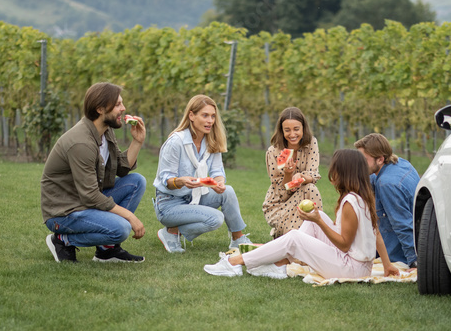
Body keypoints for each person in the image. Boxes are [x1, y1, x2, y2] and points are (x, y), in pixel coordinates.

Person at [203, 149, 400, 280]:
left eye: (335, 170)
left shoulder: (351, 202)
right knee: (319, 217)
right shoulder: (362, 196)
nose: (332, 174)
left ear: (344, 173)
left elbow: (344, 244)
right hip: (358, 265)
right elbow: (376, 233)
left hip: (352, 269)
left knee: (297, 237)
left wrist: (318, 222)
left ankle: (234, 263)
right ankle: (280, 263)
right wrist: (387, 264)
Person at [40, 82, 147, 264]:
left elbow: (121, 169)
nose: (124, 108)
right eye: (118, 104)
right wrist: (130, 217)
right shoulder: (81, 143)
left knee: (136, 181)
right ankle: (62, 240)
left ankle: (107, 250)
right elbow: (90, 196)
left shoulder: (105, 132)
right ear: (100, 109)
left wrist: (137, 142)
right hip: (64, 211)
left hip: (84, 201)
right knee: (121, 228)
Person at [152, 94, 251, 253]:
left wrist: (219, 183)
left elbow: (218, 171)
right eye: (205, 115)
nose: (210, 121)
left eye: (212, 116)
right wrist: (181, 181)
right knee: (215, 219)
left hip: (194, 197)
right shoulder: (176, 142)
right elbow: (166, 180)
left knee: (228, 191)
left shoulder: (211, 140)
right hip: (169, 204)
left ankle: (238, 239)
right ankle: (171, 232)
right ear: (191, 115)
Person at [354, 133, 420, 268]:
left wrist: (414, 262)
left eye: (364, 161)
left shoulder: (387, 184)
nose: (359, 165)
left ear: (380, 159)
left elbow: (402, 224)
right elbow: (371, 179)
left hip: (397, 255)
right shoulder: (400, 163)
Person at [262, 107, 322, 238]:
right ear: (281, 131)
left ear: (303, 128)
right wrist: (288, 174)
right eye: (287, 130)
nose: (292, 134)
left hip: (304, 195)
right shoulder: (273, 152)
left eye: (296, 129)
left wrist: (301, 177)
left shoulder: (311, 143)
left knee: (310, 188)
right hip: (278, 204)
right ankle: (285, 234)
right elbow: (282, 194)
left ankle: (313, 237)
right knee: (308, 190)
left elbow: (313, 175)